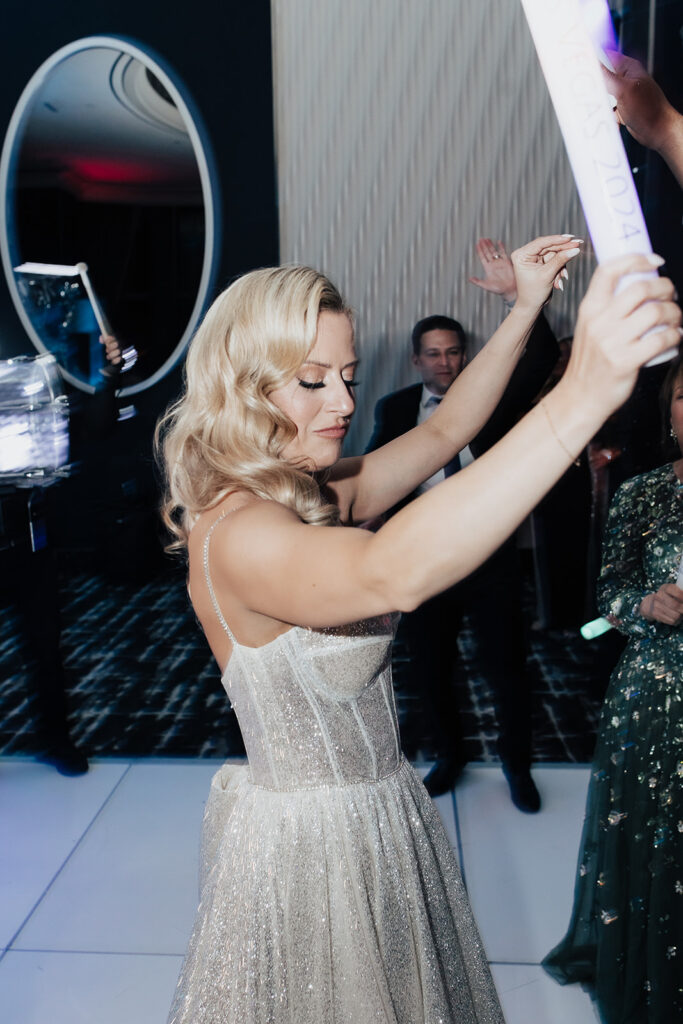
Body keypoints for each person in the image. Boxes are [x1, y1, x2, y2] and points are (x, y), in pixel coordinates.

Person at [156, 239, 678, 1024]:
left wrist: (525, 307)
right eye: (311, 381)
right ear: (239, 387)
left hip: (376, 809)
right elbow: (390, 573)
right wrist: (582, 391)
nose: (341, 402)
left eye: (348, 376)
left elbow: (444, 432)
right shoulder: (242, 532)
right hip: (316, 848)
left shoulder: (304, 491)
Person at [365, 240, 559, 808]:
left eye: (453, 352)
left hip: (490, 558)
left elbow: (541, 359)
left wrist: (519, 299)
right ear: (416, 360)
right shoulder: (395, 409)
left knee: (507, 668)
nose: (444, 362)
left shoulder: (491, 397)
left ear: (465, 355)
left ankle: (517, 767)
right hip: (424, 560)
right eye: (433, 353)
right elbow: (378, 474)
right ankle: (451, 756)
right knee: (431, 668)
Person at [543, 352, 683, 1023]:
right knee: (657, 839)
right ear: (669, 414)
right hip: (655, 693)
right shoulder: (641, 494)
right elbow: (607, 601)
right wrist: (644, 605)